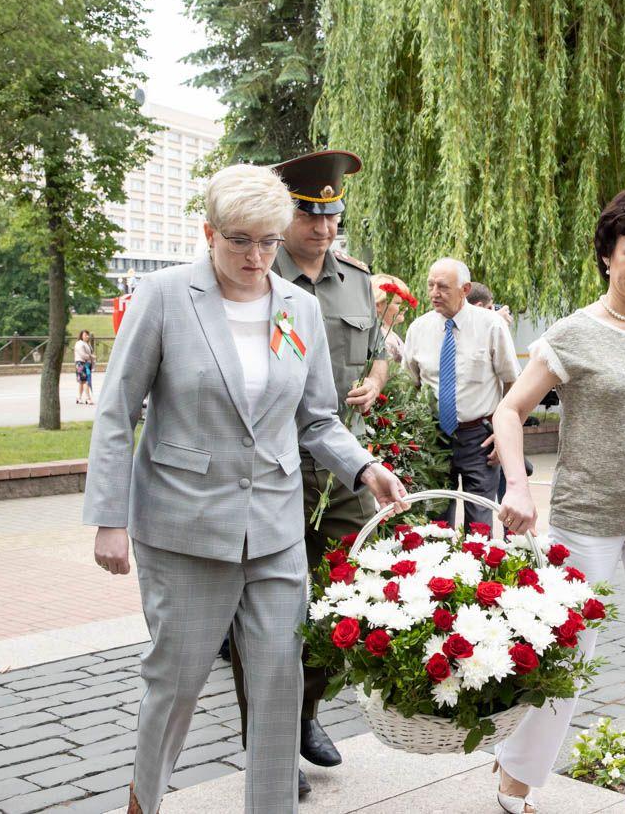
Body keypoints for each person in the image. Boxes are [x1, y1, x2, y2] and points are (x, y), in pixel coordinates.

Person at [84, 164, 409, 814]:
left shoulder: (296, 308)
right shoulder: (166, 296)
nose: (258, 257)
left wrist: (364, 467)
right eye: (241, 241)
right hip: (184, 526)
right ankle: (143, 801)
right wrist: (108, 517)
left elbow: (317, 418)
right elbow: (119, 410)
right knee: (174, 684)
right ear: (208, 233)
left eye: (269, 241)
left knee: (278, 682)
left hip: (276, 528)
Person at [491, 187, 625, 814]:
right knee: (566, 657)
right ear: (607, 254)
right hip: (585, 520)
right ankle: (516, 775)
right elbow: (509, 410)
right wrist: (519, 487)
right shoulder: (573, 334)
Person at [227, 150, 390, 793]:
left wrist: (375, 381)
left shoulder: (356, 279)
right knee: (264, 613)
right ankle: (267, 745)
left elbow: (377, 351)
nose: (324, 229)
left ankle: (304, 712)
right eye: (309, 216)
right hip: (271, 470)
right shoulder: (259, 276)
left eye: (333, 215)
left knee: (357, 589)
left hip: (341, 464)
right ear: (282, 215)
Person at [404, 257, 522, 528]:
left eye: (443, 287)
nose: (434, 293)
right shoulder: (418, 329)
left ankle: (478, 569)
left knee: (479, 524)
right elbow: (410, 385)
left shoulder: (491, 325)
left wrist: (502, 433)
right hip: (433, 439)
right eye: (430, 285)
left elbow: (513, 382)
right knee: (435, 524)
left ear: (465, 289)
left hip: (479, 438)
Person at [371, 273, 412, 363]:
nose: (405, 308)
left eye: (405, 303)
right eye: (398, 303)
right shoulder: (379, 338)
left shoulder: (390, 334)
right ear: (378, 305)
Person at [74, 329, 96, 405]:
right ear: (81, 336)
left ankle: (78, 398)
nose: (87, 336)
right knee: (86, 381)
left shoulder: (87, 343)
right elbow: (82, 354)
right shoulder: (79, 344)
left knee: (82, 382)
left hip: (87, 364)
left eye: (87, 335)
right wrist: (91, 356)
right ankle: (88, 398)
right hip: (81, 364)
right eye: (85, 335)